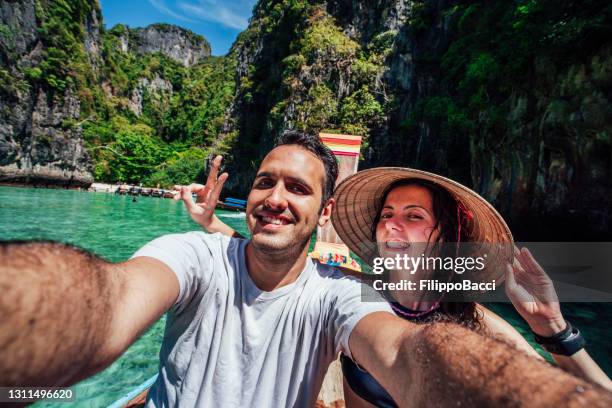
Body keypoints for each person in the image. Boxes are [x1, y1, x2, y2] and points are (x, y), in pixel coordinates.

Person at [2, 132, 612, 408]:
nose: (274, 196)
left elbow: (417, 356)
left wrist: (557, 334)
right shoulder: (202, 258)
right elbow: (109, 298)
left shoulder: (358, 299)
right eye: (265, 181)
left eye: (297, 187)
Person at [185, 162, 611, 407]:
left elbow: (589, 394)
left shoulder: (475, 321)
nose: (391, 225)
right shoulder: (350, 293)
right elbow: (276, 258)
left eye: (414, 216)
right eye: (387, 214)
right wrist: (213, 223)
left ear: (444, 236)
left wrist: (553, 328)